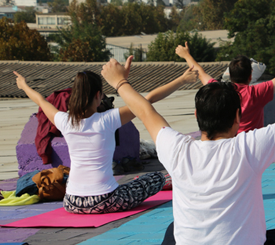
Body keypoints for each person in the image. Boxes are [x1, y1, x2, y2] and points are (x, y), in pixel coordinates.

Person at [101, 57, 275, 245]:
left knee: (174, 230)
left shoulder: (176, 148)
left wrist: (119, 81)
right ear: (238, 117)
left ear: (197, 114)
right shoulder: (249, 147)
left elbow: (145, 111)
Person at [13, 56, 198, 214]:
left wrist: (23, 85)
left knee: (134, 184)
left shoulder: (64, 120)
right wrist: (182, 80)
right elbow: (146, 101)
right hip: (105, 200)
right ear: (99, 96)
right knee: (155, 178)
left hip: (71, 202)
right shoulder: (107, 120)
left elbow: (39, 99)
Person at [175, 42, 275, 133]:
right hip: (253, 149)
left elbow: (200, 72)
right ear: (251, 76)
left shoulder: (219, 91)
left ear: (229, 75)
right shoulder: (256, 93)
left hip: (229, 146)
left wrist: (186, 55)